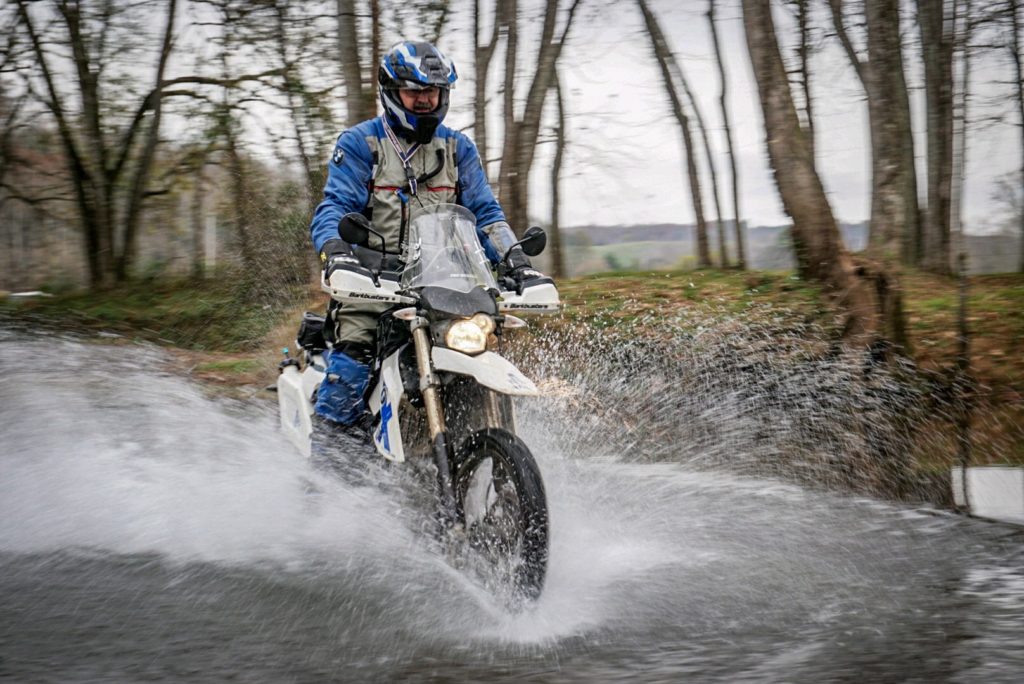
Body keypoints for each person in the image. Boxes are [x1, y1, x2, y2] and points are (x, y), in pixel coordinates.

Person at [308, 40, 551, 437]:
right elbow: (333, 208)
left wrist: (516, 260)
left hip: (445, 288)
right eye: (415, 92)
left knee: (478, 350)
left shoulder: (458, 149)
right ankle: (325, 481)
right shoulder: (361, 144)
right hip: (373, 287)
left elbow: (486, 214)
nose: (425, 101)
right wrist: (335, 250)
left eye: (432, 92)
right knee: (350, 371)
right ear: (391, 93)